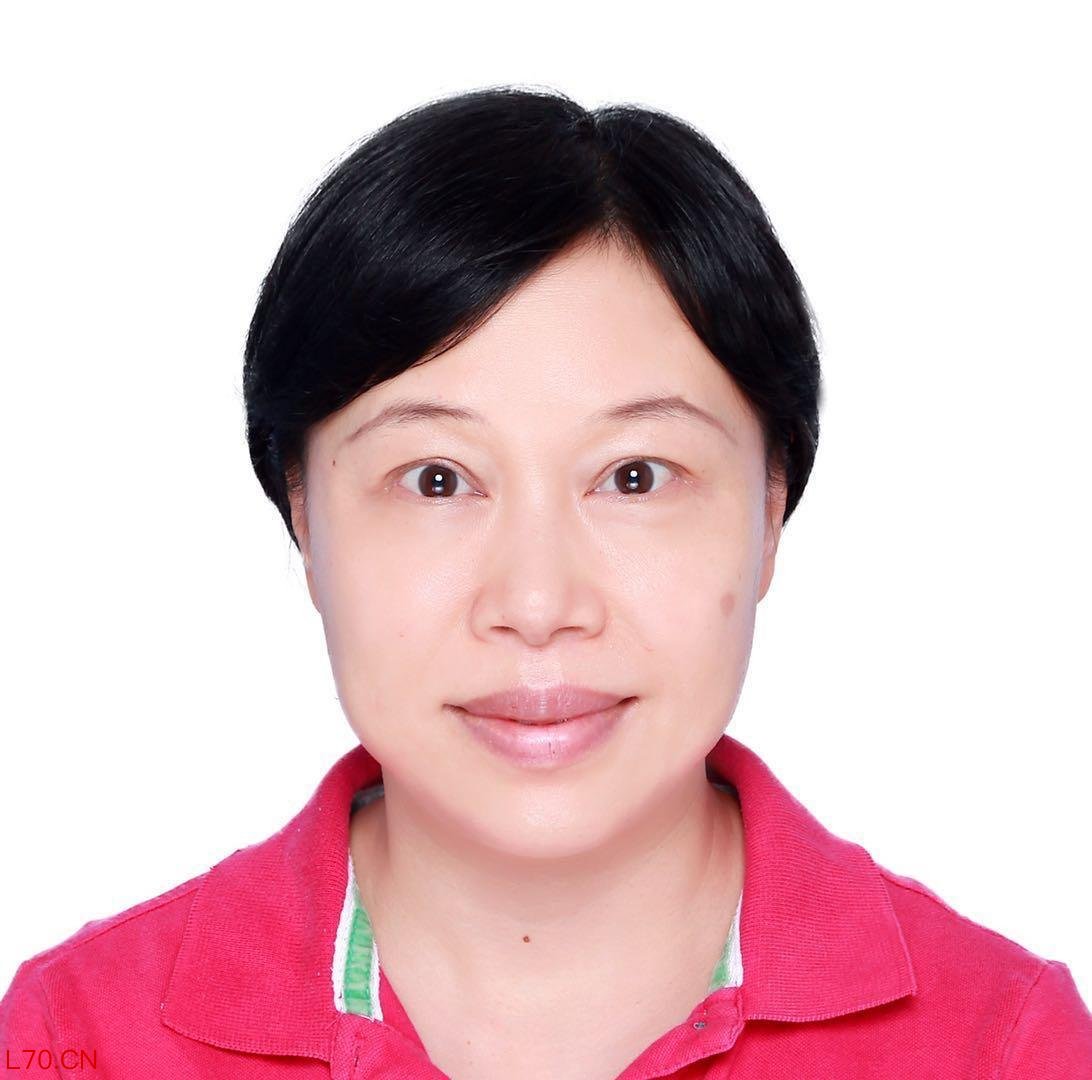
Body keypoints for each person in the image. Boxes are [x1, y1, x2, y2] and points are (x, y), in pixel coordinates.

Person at [2, 85, 1089, 1079]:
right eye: (437, 479)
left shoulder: (1004, 1045)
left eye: (634, 476)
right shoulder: (76, 1039)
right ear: (302, 513)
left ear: (770, 509)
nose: (536, 604)